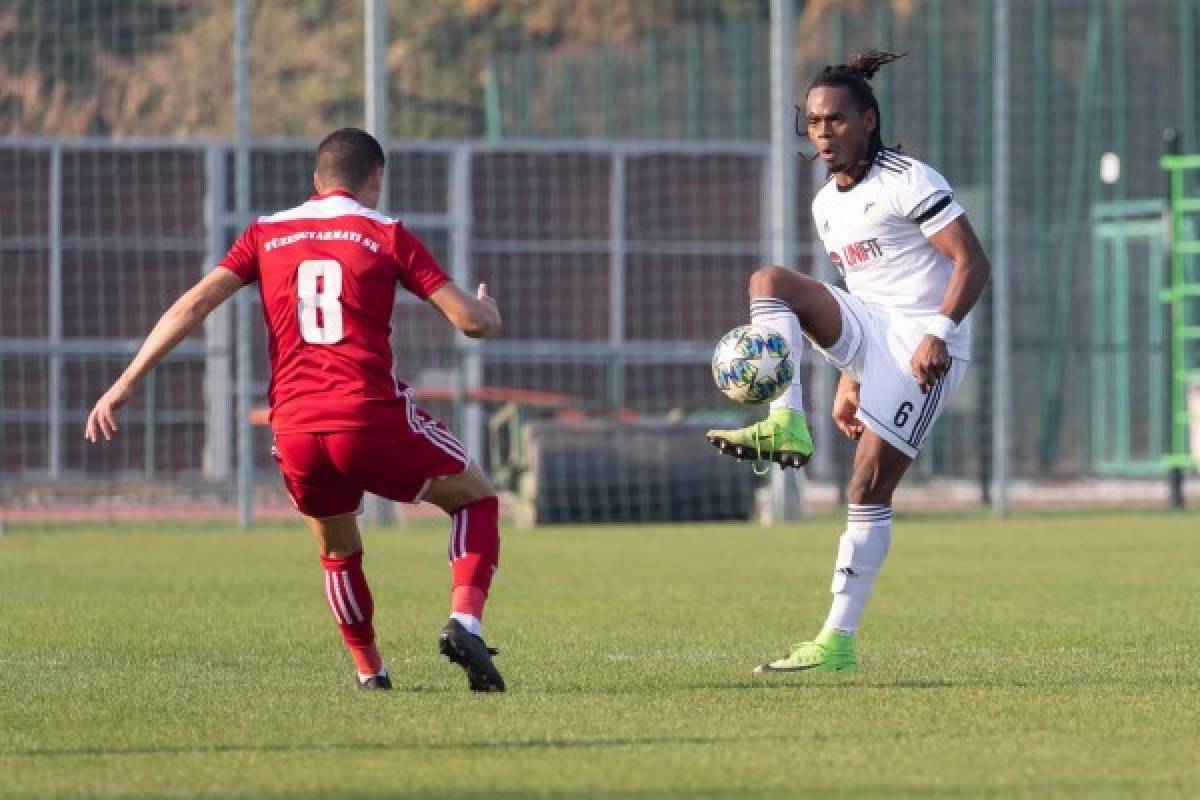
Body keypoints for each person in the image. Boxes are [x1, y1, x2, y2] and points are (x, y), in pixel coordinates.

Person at [84, 128, 507, 692]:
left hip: (297, 427)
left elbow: (196, 302)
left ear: (316, 180)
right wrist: (489, 309)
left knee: (337, 552)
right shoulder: (385, 233)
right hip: (369, 416)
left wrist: (126, 381)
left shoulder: (266, 232)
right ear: (374, 178)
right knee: (475, 498)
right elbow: (472, 323)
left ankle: (369, 673)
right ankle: (465, 622)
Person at [706, 51, 991, 673]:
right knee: (771, 280)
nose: (823, 133)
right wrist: (850, 376)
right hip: (871, 331)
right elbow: (862, 294)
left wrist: (939, 333)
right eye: (813, 122)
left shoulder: (909, 179)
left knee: (866, 488)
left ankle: (836, 641)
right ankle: (787, 419)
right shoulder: (825, 206)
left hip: (925, 344)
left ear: (868, 119)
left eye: (836, 120)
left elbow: (973, 262)